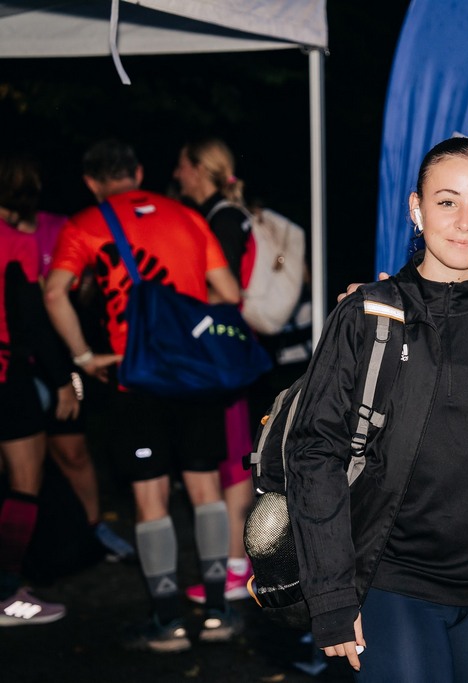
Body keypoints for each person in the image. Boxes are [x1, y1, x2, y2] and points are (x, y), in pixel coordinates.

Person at [288, 137, 468, 682]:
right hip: (392, 583)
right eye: (447, 201)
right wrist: (331, 595)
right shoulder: (367, 316)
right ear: (416, 208)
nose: (464, 222)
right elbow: (314, 452)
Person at [42, 139, 243, 651]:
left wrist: (84, 357)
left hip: (134, 377)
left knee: (150, 497)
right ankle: (218, 614)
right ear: (138, 172)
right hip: (193, 375)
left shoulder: (84, 224)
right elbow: (229, 294)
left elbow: (54, 292)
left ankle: (168, 621)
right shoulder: (187, 216)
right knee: (206, 490)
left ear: (91, 182)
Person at [0, 152, 136, 563]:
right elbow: (31, 308)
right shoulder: (12, 239)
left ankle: (94, 529)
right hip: (18, 367)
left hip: (58, 358)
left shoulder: (58, 227)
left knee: (72, 452)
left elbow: (86, 286)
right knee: (22, 472)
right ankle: (18, 566)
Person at [172, 138, 255, 603]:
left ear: (201, 169)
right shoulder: (216, 215)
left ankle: (238, 568)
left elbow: (223, 289)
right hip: (219, 352)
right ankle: (234, 564)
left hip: (224, 353)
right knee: (228, 454)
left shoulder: (222, 219)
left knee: (234, 459)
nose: (177, 175)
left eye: (182, 166)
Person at [0, 188, 76, 625]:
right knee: (24, 480)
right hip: (6, 372)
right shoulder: (15, 240)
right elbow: (31, 316)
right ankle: (7, 594)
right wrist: (63, 378)